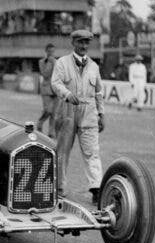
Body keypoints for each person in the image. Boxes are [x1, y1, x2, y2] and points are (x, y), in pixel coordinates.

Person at [51, 29, 105, 204]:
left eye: (86, 42)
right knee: (63, 151)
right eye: (80, 42)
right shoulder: (62, 63)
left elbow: (99, 92)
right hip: (67, 110)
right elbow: (55, 83)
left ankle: (96, 188)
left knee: (92, 152)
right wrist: (66, 94)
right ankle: (59, 187)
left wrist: (102, 113)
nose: (83, 46)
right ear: (73, 43)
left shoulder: (94, 67)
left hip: (88, 112)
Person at [36, 43, 58, 138]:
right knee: (48, 110)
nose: (51, 53)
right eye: (49, 51)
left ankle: (51, 132)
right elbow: (45, 74)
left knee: (54, 113)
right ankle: (40, 123)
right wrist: (51, 63)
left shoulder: (56, 62)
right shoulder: (42, 62)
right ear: (46, 51)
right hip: (46, 89)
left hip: (56, 90)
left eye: (52, 51)